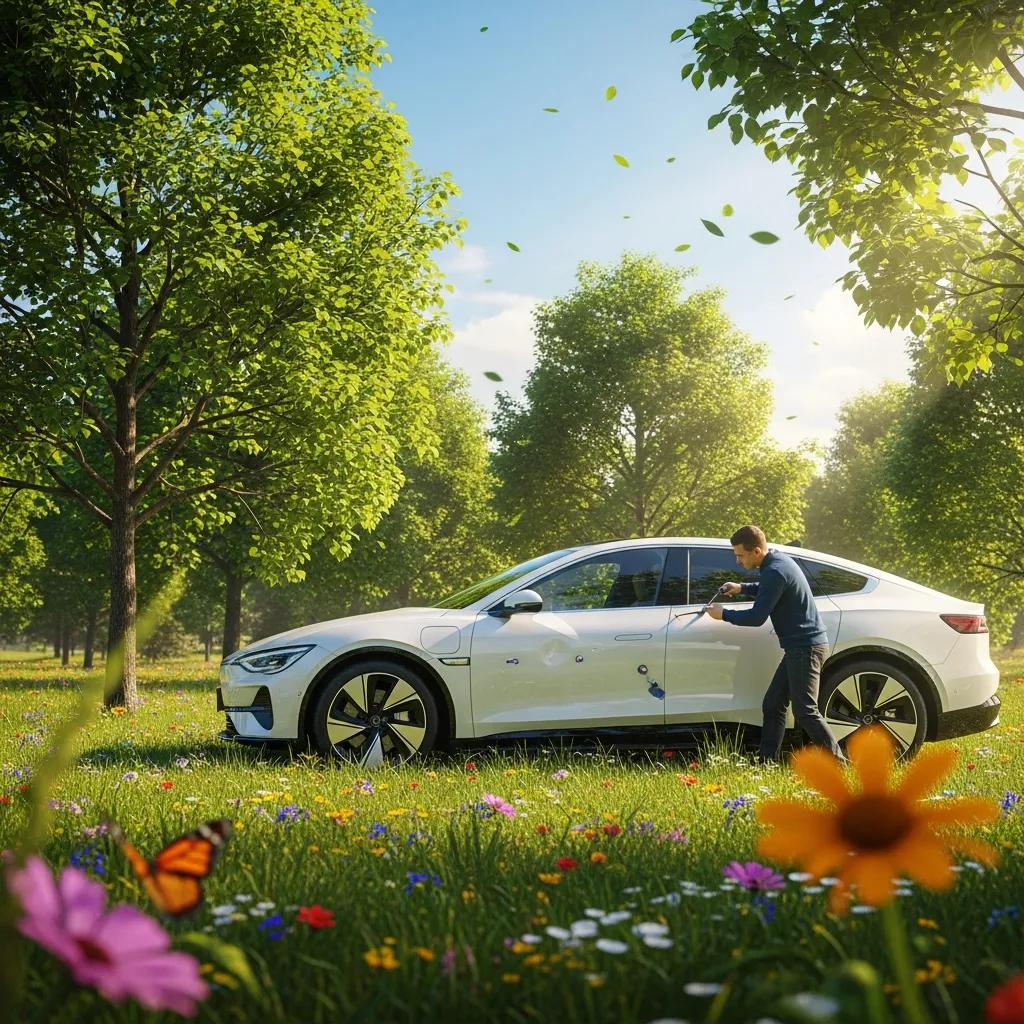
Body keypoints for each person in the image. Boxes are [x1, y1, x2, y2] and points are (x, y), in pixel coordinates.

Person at [706, 525, 846, 764]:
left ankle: (840, 763)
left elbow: (756, 617)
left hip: (806, 648)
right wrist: (741, 588)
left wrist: (723, 615)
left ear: (757, 551)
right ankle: (766, 763)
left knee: (805, 711)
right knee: (773, 705)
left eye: (740, 555)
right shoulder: (778, 562)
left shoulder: (775, 571)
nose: (737, 561)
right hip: (799, 648)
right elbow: (770, 590)